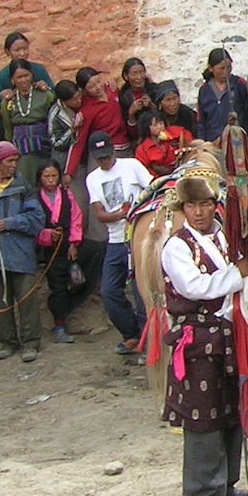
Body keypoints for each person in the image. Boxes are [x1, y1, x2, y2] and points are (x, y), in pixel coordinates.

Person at [161, 175, 248, 496]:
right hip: (197, 340)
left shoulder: (223, 237)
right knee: (203, 418)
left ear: (214, 206)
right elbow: (195, 286)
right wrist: (238, 273)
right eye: (191, 206)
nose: (198, 212)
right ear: (183, 209)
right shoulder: (176, 246)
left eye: (204, 205)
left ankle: (226, 484)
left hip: (228, 335)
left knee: (231, 410)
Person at [0, 142, 44, 362]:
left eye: (16, 161)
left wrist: (10, 223)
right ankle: (7, 342)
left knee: (26, 301)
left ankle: (30, 343)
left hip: (20, 253)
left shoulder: (25, 187)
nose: (14, 165)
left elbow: (37, 219)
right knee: (1, 301)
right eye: (9, 161)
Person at [86, 132, 152, 356]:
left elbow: (152, 191)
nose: (104, 160)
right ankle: (131, 333)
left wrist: (133, 210)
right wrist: (123, 213)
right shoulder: (93, 179)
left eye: (107, 155)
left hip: (137, 237)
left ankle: (147, 340)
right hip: (115, 240)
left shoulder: (132, 165)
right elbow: (99, 214)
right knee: (109, 292)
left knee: (141, 291)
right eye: (100, 157)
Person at [34, 161, 88, 345]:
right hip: (48, 249)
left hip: (68, 245)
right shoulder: (35, 199)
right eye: (46, 176)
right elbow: (33, 225)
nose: (50, 180)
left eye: (54, 176)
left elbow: (76, 218)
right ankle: (59, 326)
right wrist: (47, 235)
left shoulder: (66, 195)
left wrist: (74, 242)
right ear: (40, 178)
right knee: (57, 288)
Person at [66, 67, 130, 177]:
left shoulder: (112, 90)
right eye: (91, 87)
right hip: (103, 150)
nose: (98, 87)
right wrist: (69, 172)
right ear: (84, 90)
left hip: (125, 146)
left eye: (98, 81)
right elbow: (79, 141)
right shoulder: (86, 110)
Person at [0, 61, 54, 178]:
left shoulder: (45, 95)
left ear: (32, 75)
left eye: (26, 75)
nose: (23, 80)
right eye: (19, 77)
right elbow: (8, 128)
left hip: (44, 147)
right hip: (21, 150)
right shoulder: (8, 101)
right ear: (12, 80)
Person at [198, 49, 248, 143]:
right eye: (221, 68)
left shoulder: (239, 84)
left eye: (229, 67)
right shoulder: (204, 90)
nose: (226, 72)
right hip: (213, 142)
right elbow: (201, 121)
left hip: (237, 141)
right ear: (211, 68)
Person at [136, 105, 192, 175]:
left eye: (161, 123)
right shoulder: (142, 149)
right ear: (147, 128)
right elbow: (143, 170)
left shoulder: (172, 132)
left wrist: (182, 143)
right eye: (155, 125)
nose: (160, 127)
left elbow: (186, 134)